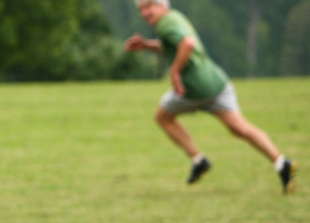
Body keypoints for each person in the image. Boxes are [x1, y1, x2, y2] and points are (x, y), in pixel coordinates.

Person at [125, 0, 296, 192]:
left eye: (149, 7)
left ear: (162, 6)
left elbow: (187, 44)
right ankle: (281, 163)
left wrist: (174, 72)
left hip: (194, 88)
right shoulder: (174, 18)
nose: (145, 13)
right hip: (216, 82)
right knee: (241, 128)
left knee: (163, 117)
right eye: (141, 9)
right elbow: (174, 45)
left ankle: (198, 160)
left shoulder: (165, 24)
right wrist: (147, 45)